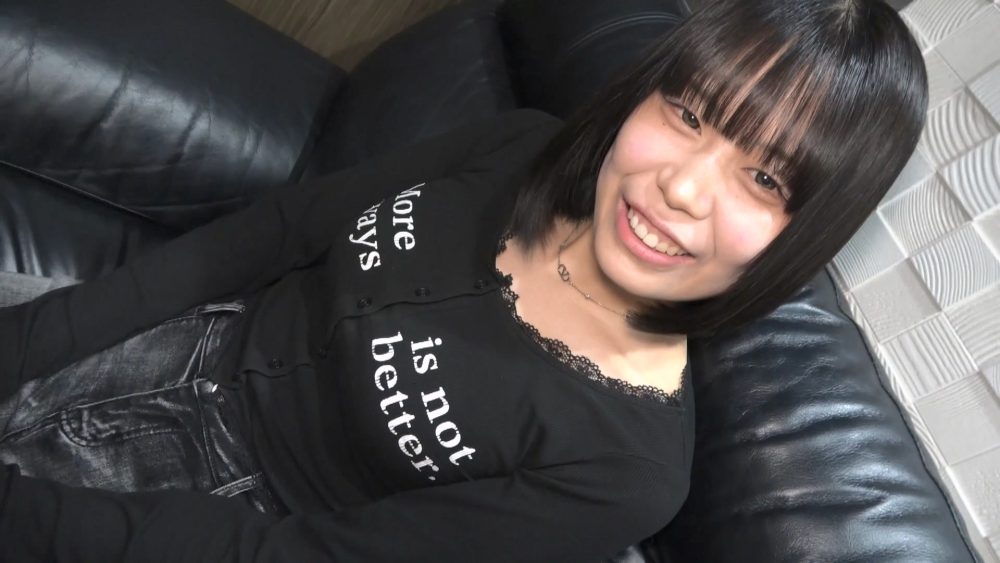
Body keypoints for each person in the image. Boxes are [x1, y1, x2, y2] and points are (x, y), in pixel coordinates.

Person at [0, 0, 927, 560]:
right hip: (177, 323)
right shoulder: (519, 144)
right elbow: (276, 231)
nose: (681, 186)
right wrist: (27, 344)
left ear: (803, 234)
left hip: (204, 514)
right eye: (688, 113)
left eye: (763, 179)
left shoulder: (622, 473)